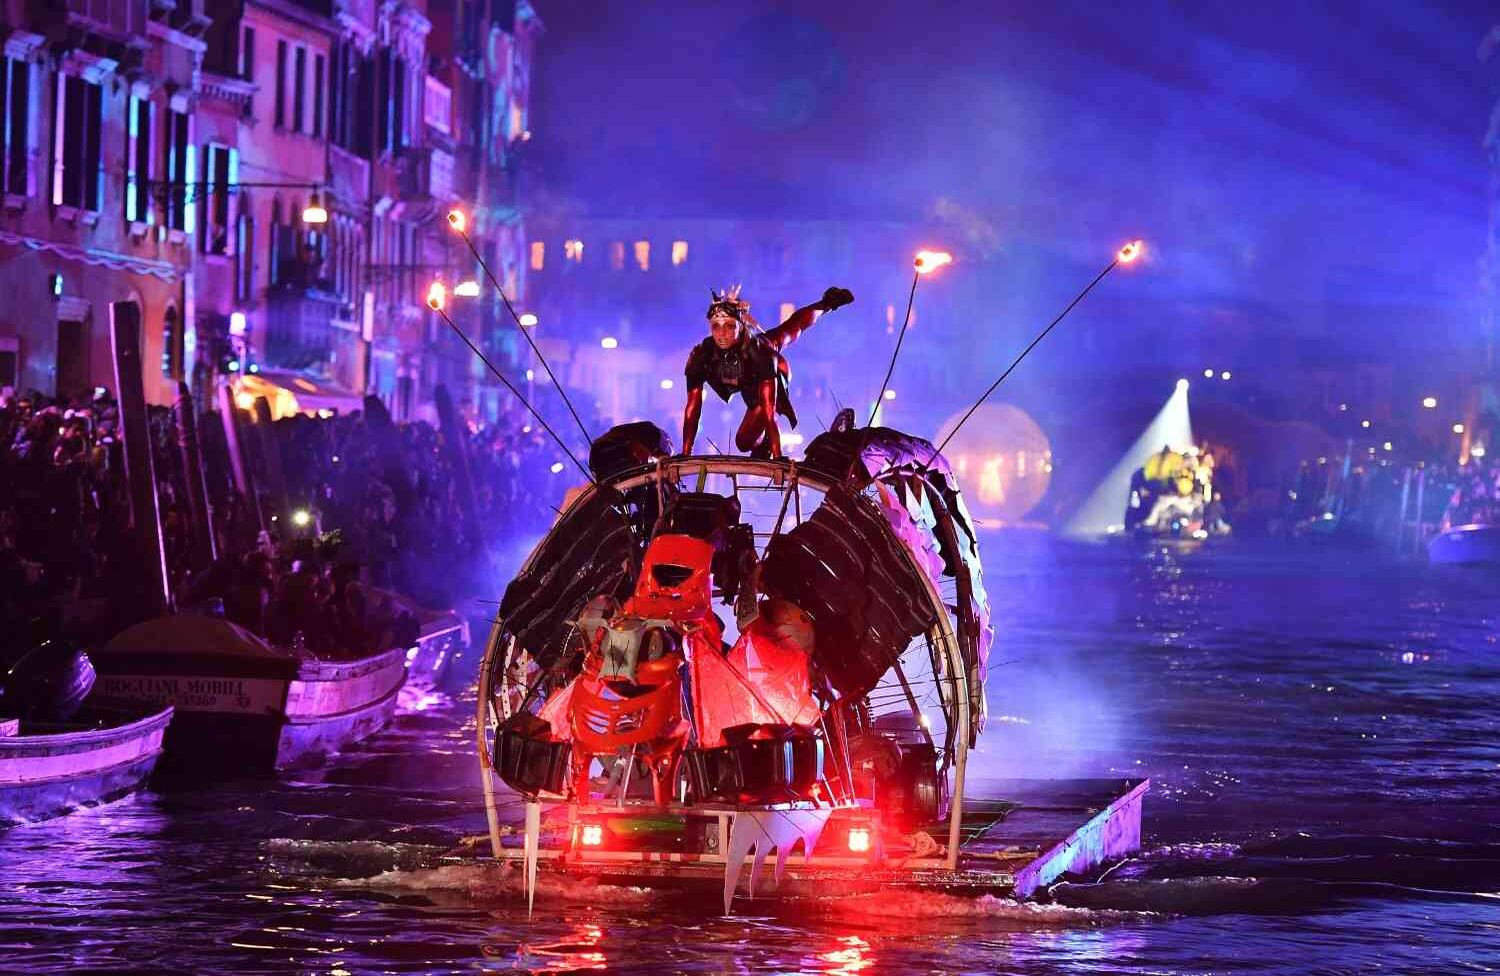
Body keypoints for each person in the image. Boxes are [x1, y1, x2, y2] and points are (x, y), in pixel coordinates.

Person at [680, 284, 853, 458]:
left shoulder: (760, 354)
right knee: (744, 442)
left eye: (729, 326)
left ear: (740, 325)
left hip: (774, 370)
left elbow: (769, 411)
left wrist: (778, 455)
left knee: (792, 329)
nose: (722, 334)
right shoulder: (701, 355)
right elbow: (692, 406)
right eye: (716, 326)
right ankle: (764, 443)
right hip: (749, 384)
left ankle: (828, 303)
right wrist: (686, 453)